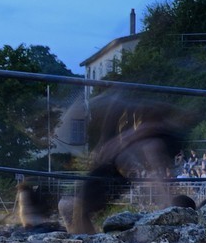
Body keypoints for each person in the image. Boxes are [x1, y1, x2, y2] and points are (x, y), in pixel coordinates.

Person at [68, 94, 196, 233]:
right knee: (77, 209)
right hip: (115, 168)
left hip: (116, 167)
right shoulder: (138, 139)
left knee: (78, 209)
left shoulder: (145, 141)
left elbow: (147, 130)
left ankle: (86, 238)